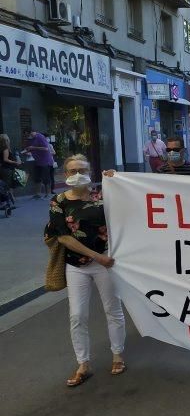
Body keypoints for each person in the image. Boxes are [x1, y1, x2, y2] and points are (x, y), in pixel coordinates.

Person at [46, 154, 126, 387]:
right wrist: (97, 257)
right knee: (77, 315)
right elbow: (63, 237)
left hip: (107, 263)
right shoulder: (58, 201)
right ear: (65, 174)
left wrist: (117, 179)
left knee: (113, 309)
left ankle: (118, 355)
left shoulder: (104, 194)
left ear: (91, 172)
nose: (77, 174)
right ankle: (83, 363)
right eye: (72, 171)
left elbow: (128, 209)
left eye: (82, 169)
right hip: (78, 265)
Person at [24, 128, 54, 199]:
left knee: (46, 178)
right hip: (37, 160)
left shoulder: (40, 137)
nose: (26, 136)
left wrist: (33, 147)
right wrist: (28, 150)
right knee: (37, 178)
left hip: (45, 161)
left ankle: (48, 194)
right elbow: (34, 148)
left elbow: (46, 148)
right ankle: (37, 194)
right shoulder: (32, 139)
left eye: (27, 134)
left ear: (31, 132)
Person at [0, 134, 21, 202]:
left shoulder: (1, 148)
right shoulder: (5, 148)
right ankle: (9, 199)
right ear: (6, 140)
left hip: (4, 168)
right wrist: (15, 162)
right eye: (7, 139)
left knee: (7, 184)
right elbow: (5, 159)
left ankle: (11, 198)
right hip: (7, 169)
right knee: (8, 184)